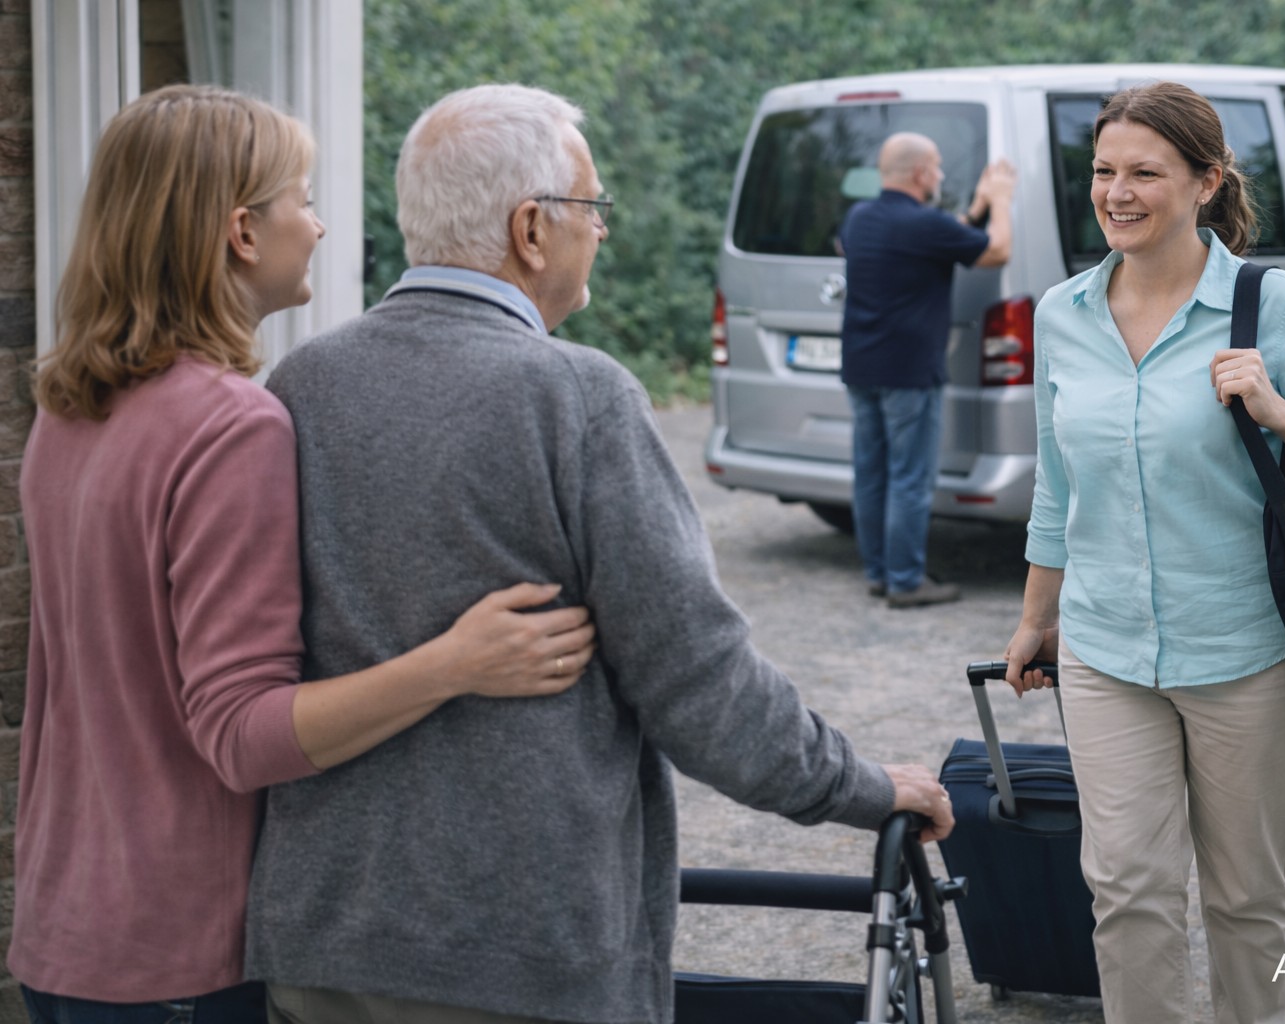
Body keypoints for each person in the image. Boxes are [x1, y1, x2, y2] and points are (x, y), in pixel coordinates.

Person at [242, 83, 954, 1024]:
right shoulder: (576, 395)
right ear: (531, 229)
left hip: (322, 944)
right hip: (518, 957)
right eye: (593, 209)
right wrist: (857, 785)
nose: (602, 233)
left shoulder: (297, 384)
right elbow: (696, 681)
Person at [9, 85, 596, 1024]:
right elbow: (243, 735)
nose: (321, 227)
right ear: (243, 231)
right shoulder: (230, 425)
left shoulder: (71, 411)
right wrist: (459, 663)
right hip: (186, 957)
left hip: (64, 931)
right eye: (305, 200)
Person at [1002, 82, 1285, 1024]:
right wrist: (1035, 619)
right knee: (1128, 893)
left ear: (1206, 181)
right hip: (1106, 652)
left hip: (1247, 652)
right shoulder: (1062, 314)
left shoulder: (1272, 304)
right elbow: (1059, 485)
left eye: (1146, 172)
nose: (1118, 192)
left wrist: (1279, 410)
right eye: (1105, 171)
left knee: (1246, 901)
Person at [837, 132, 1017, 609]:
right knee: (910, 479)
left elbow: (941, 237)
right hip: (909, 372)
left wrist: (975, 209)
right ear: (920, 174)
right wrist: (999, 202)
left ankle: (880, 573)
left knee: (871, 474)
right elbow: (997, 251)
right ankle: (906, 581)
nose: (940, 175)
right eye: (937, 167)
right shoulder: (923, 226)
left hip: (861, 367)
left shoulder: (860, 218)